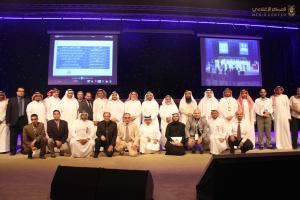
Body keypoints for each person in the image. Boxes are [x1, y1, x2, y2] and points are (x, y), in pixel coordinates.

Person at [6, 87, 30, 155]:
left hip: (24, 120)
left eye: (23, 91)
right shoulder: (11, 100)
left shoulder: (27, 100)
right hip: (14, 121)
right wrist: (8, 121)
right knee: (13, 137)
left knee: (24, 137)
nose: (21, 92)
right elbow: (8, 111)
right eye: (20, 91)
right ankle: (13, 151)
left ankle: (23, 150)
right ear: (17, 92)